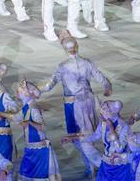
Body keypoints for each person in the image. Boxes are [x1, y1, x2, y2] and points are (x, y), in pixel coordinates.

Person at [41, 31, 112, 176]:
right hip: (89, 102)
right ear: (77, 47)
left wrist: (37, 90)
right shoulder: (87, 62)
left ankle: (100, 166)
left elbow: (50, 84)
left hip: (74, 106)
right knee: (87, 135)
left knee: (80, 137)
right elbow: (101, 77)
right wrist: (107, 86)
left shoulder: (63, 66)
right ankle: (92, 167)